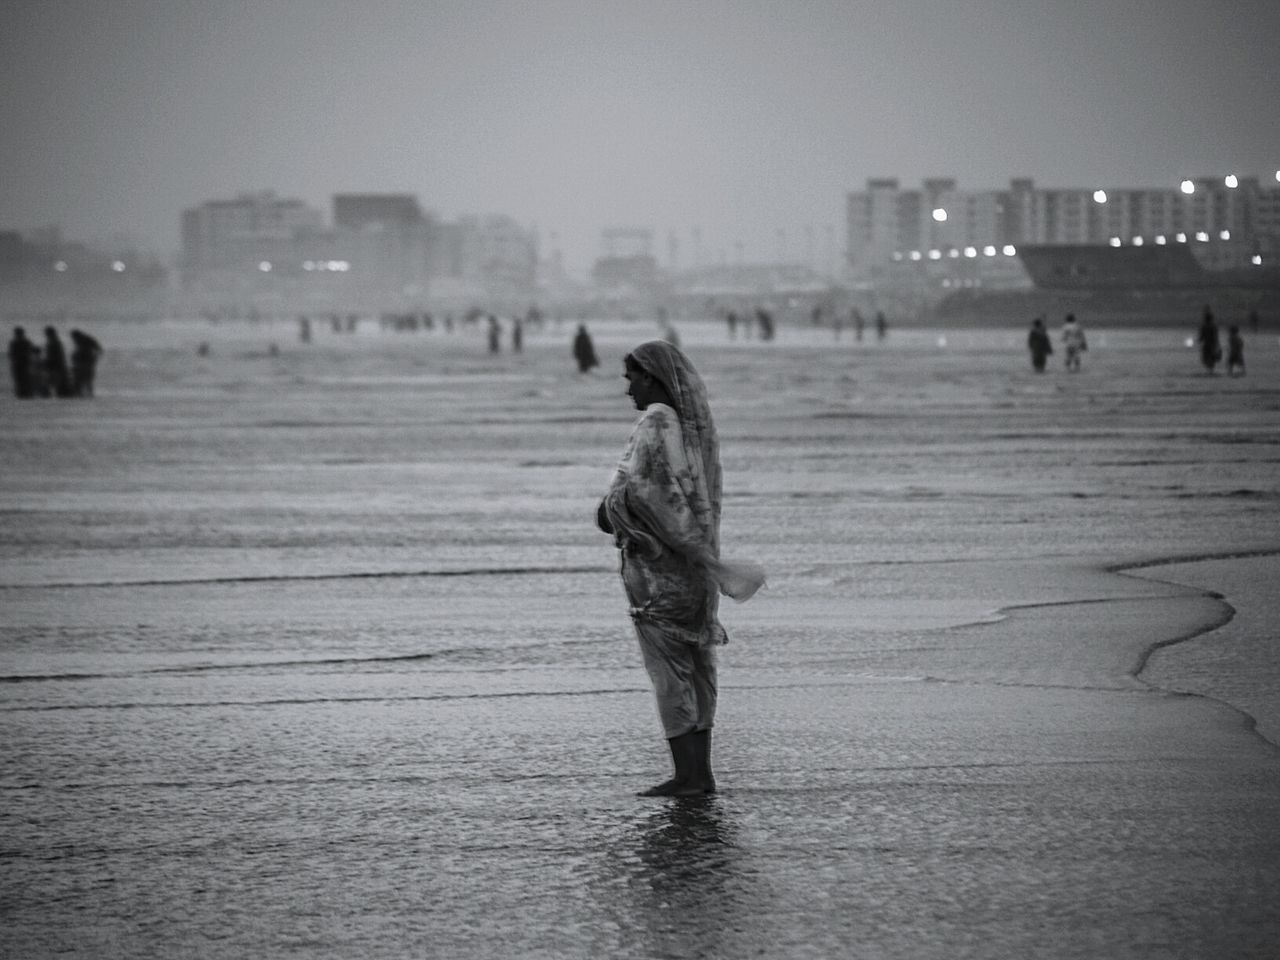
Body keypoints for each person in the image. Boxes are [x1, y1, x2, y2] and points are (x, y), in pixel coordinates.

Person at [597, 341, 765, 797]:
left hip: (660, 574)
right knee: (697, 669)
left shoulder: (654, 421)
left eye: (633, 377)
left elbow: (648, 495)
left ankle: (687, 777)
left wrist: (609, 508)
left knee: (670, 673)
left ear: (653, 378)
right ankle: (700, 773)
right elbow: (684, 498)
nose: (628, 387)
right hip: (694, 572)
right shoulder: (694, 430)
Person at [69, 329, 103, 396]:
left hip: (86, 364)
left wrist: (94, 359)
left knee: (84, 380)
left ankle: (85, 394)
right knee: (84, 380)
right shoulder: (82, 341)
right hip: (83, 363)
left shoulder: (85, 340)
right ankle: (84, 394)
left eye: (73, 338)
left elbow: (99, 349)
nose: (73, 340)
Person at [43, 327, 72, 397]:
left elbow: (55, 355)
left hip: (55, 365)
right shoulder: (55, 342)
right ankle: (60, 393)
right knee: (57, 382)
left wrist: (48, 363)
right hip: (57, 365)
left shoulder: (53, 343)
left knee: (56, 382)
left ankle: (59, 394)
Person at [8, 326, 35, 398]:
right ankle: (26, 394)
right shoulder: (26, 342)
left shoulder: (14, 343)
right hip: (24, 364)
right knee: (25, 380)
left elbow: (11, 355)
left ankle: (22, 395)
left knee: (20, 381)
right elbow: (31, 352)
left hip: (19, 365)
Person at [1198, 307, 1221, 374]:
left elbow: (1201, 336)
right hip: (1213, 344)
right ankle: (1211, 370)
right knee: (1212, 357)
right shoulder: (1214, 326)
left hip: (1207, 344)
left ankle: (1210, 370)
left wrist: (1199, 340)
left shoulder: (1204, 326)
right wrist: (1217, 344)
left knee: (1206, 358)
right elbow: (1216, 336)